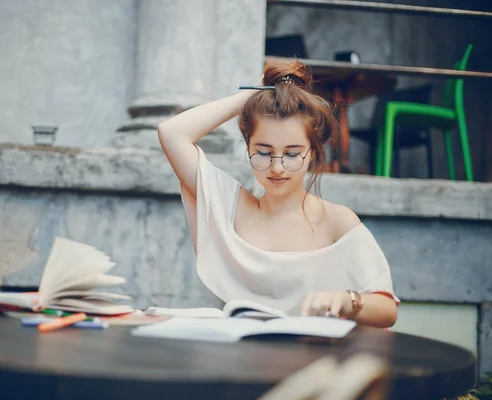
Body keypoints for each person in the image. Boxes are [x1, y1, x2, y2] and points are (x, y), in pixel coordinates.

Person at [157, 59, 399, 328]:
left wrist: (347, 300)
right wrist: (252, 98)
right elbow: (171, 133)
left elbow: (387, 310)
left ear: (313, 153)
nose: (277, 167)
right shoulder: (231, 207)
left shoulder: (337, 222)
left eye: (293, 154)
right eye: (263, 152)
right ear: (248, 147)